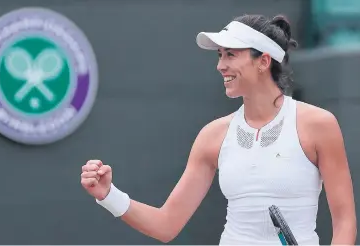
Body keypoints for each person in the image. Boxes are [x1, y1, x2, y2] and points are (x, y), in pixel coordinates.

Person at [81, 14, 357, 245]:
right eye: (220, 55)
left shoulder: (319, 124)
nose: (220, 65)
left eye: (231, 55)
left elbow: (345, 221)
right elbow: (166, 225)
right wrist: (108, 195)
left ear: (263, 61)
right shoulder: (212, 136)